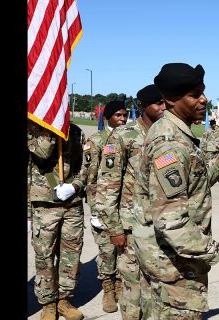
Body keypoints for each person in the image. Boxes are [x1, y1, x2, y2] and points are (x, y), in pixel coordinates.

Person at [132, 62, 219, 319]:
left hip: (173, 259)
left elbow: (192, 188)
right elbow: (171, 221)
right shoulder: (170, 145)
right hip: (174, 266)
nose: (203, 99)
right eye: (194, 95)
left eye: (202, 91)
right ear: (170, 99)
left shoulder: (177, 134)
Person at [96, 85, 166, 320]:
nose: (163, 107)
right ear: (144, 107)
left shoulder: (164, 134)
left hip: (159, 226)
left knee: (156, 290)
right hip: (131, 226)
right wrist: (114, 228)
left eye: (165, 102)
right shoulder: (123, 136)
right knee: (133, 289)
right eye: (158, 103)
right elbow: (107, 186)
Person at [28, 120, 87, 320]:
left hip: (72, 203)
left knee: (71, 254)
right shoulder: (31, 131)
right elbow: (42, 152)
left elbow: (85, 166)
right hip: (43, 203)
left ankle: (63, 300)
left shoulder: (76, 132)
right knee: (45, 257)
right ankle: (48, 303)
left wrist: (76, 186)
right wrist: (50, 129)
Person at [82, 100, 127, 313]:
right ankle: (108, 289)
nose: (123, 119)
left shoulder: (128, 137)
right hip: (103, 205)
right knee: (107, 250)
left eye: (125, 115)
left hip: (125, 205)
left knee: (123, 249)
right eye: (118, 115)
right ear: (107, 117)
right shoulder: (96, 140)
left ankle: (120, 285)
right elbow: (90, 177)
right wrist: (95, 208)